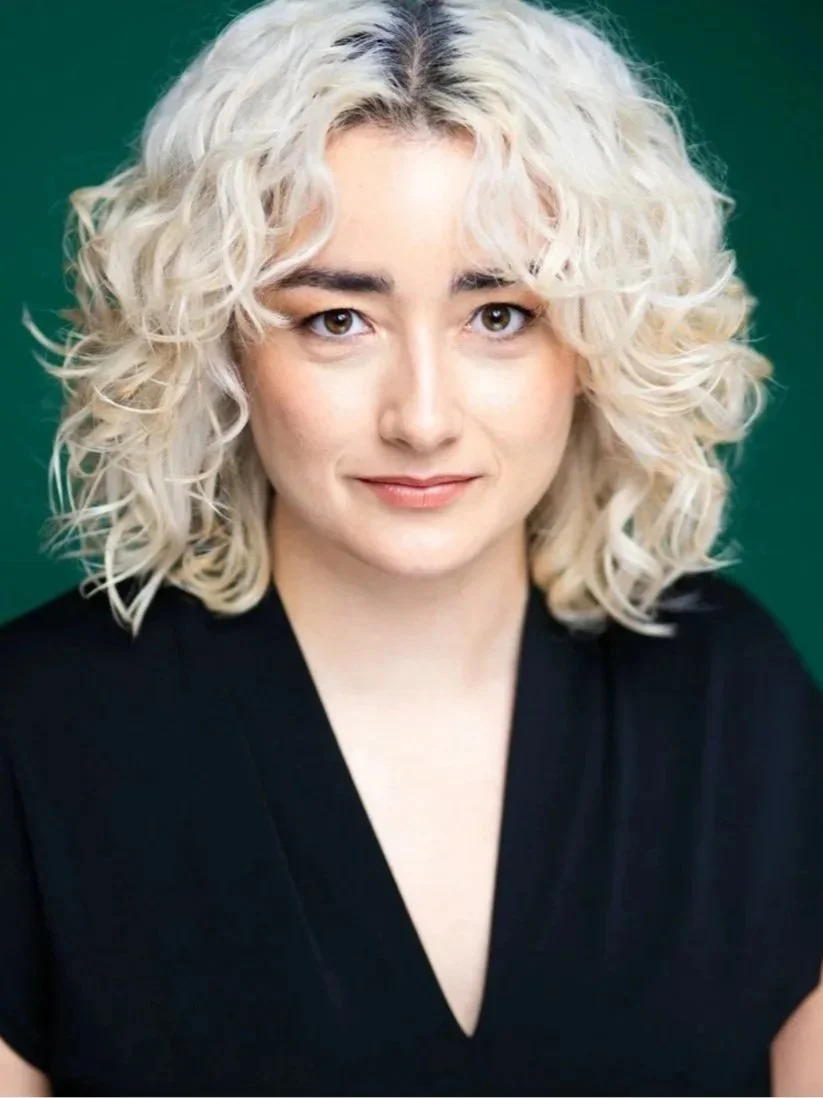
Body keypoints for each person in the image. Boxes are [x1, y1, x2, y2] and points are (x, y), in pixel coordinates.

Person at [1, 0, 821, 1093]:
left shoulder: (732, 692)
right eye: (337, 320)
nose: (422, 417)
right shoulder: (36, 729)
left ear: (596, 338)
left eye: (499, 315)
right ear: (221, 341)